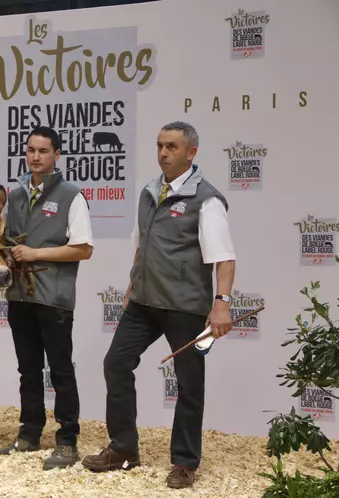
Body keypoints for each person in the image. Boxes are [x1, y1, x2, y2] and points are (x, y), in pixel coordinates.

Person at [81, 121, 236, 489]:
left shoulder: (207, 200)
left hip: (185, 307)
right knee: (115, 363)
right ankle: (123, 449)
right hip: (143, 303)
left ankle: (184, 462)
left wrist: (222, 305)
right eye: (160, 146)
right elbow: (142, 244)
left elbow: (224, 258)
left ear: (191, 152)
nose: (163, 153)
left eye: (172, 147)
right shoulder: (150, 192)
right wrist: (133, 281)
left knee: (188, 384)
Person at [0, 126, 94, 471]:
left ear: (57, 155)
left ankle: (67, 441)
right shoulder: (15, 193)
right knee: (28, 370)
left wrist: (35, 254)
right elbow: (6, 240)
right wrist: (8, 257)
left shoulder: (71, 195)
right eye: (31, 150)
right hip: (19, 295)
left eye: (43, 151)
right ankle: (29, 433)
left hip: (54, 297)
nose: (35, 157)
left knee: (61, 371)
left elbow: (83, 249)